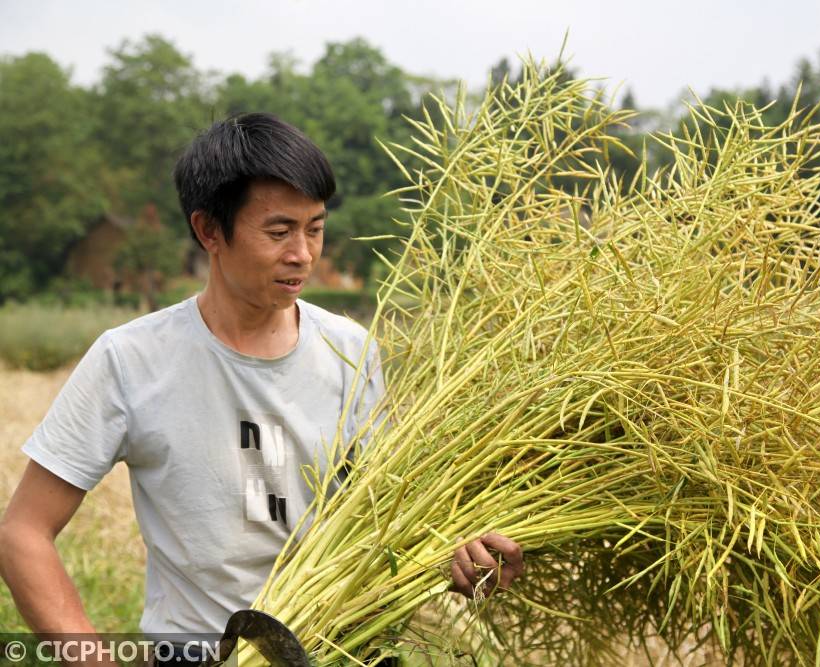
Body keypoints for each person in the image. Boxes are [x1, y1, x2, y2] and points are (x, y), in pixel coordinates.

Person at [0, 113, 523, 663]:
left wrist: (455, 554)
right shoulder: (130, 359)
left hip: (344, 649)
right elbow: (23, 533)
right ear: (209, 231)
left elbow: (382, 516)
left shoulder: (351, 350)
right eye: (279, 231)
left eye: (315, 228)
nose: (302, 253)